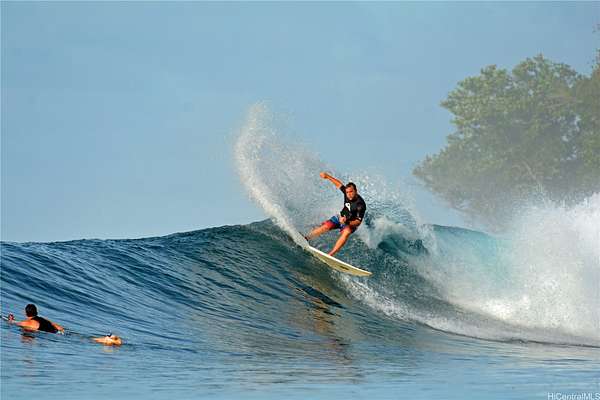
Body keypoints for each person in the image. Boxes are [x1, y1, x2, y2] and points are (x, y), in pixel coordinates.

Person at [305, 172, 367, 256]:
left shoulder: (360, 204)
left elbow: (358, 222)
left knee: (347, 232)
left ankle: (330, 254)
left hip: (350, 223)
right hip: (340, 217)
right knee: (327, 226)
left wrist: (346, 222)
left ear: (356, 191)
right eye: (347, 192)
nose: (349, 194)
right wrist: (327, 176)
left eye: (351, 192)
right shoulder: (346, 193)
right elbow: (339, 184)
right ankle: (306, 238)